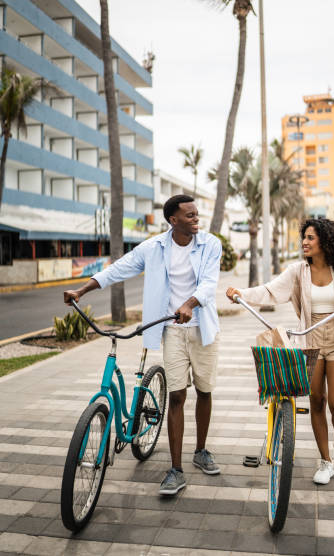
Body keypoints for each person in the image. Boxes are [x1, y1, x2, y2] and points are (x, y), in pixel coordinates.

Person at [64, 195, 222, 496]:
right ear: (173, 220)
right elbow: (117, 269)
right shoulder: (153, 248)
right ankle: (175, 470)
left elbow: (209, 285)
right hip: (171, 329)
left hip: (203, 327)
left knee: (204, 390)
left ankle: (201, 450)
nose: (196, 219)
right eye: (189, 216)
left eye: (196, 214)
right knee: (176, 396)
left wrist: (190, 303)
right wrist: (81, 290)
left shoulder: (210, 244)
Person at [226, 218, 334, 485]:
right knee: (316, 401)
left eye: (311, 238)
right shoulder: (297, 271)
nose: (305, 242)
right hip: (309, 337)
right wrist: (240, 293)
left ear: (326, 241)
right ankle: (325, 461)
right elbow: (270, 291)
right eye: (305, 237)